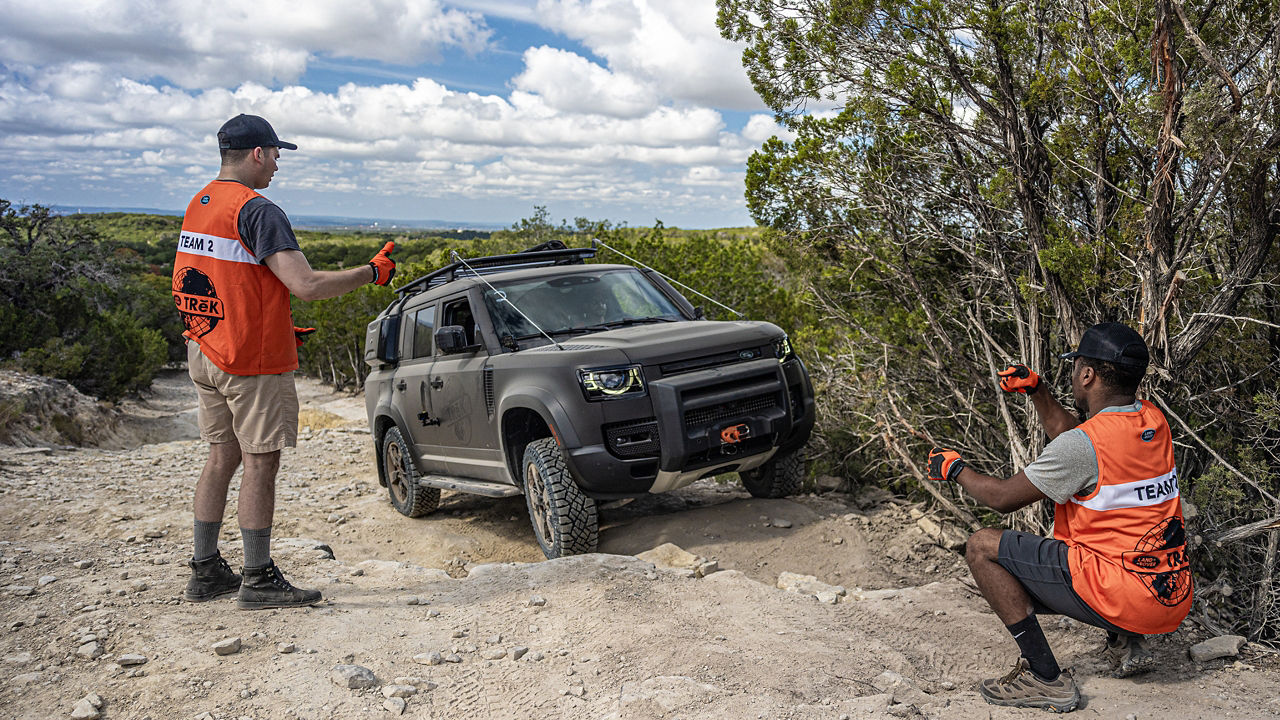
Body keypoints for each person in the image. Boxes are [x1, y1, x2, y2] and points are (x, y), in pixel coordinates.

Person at [173, 114, 398, 609]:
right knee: (260, 463)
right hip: (247, 363)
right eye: (275, 154)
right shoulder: (259, 210)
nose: (277, 164)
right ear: (257, 153)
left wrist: (268, 322)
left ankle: (205, 570)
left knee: (221, 457)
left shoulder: (201, 202)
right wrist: (372, 273)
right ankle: (257, 579)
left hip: (206, 349)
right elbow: (308, 285)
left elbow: (210, 278)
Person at [927, 322, 1191, 712]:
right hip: (1170, 594)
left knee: (983, 547)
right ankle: (1126, 637)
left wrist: (954, 468)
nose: (1072, 374)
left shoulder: (1084, 446)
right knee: (1109, 546)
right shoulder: (1152, 421)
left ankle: (1045, 677)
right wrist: (1037, 391)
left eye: (1075, 367)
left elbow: (1000, 498)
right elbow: (1077, 437)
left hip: (1123, 594)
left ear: (1087, 375)